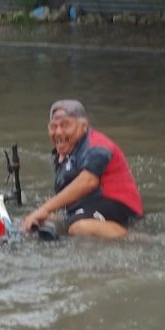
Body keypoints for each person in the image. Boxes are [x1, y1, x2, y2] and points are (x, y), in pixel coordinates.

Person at [22, 99, 143, 239]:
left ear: (83, 126)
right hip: (91, 205)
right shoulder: (64, 153)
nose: (58, 132)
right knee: (35, 223)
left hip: (119, 205)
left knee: (79, 228)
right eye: (53, 126)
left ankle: (135, 240)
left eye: (65, 125)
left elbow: (88, 182)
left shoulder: (97, 146)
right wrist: (40, 214)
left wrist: (45, 208)